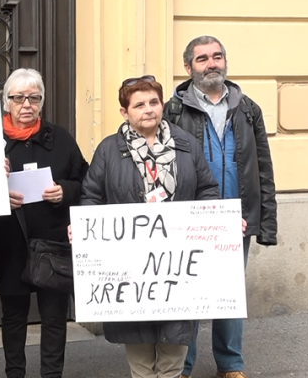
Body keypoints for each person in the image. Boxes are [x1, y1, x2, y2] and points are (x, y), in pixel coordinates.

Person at [79, 75, 220, 378]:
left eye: (154, 102)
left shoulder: (186, 144)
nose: (148, 109)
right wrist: (84, 226)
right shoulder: (108, 150)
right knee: (140, 353)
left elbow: (207, 189)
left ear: (162, 105)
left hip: (177, 263)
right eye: (139, 104)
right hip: (131, 264)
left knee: (174, 349)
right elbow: (91, 195)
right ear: (125, 112)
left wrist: (219, 220)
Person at [165, 35, 277, 378]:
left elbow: (262, 166)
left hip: (235, 220)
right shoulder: (173, 110)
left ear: (225, 62)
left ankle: (230, 365)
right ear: (188, 67)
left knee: (229, 292)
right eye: (202, 59)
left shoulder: (247, 108)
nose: (211, 64)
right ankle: (182, 365)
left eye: (217, 56)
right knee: (187, 291)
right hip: (189, 218)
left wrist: (266, 221)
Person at [0, 68, 88, 378]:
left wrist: (64, 190)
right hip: (10, 241)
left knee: (54, 317)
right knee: (13, 316)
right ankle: (14, 373)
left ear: (41, 102)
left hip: (53, 241)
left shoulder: (61, 139)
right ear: (6, 102)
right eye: (18, 98)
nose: (26, 105)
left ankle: (51, 375)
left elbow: (85, 180)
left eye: (34, 98)